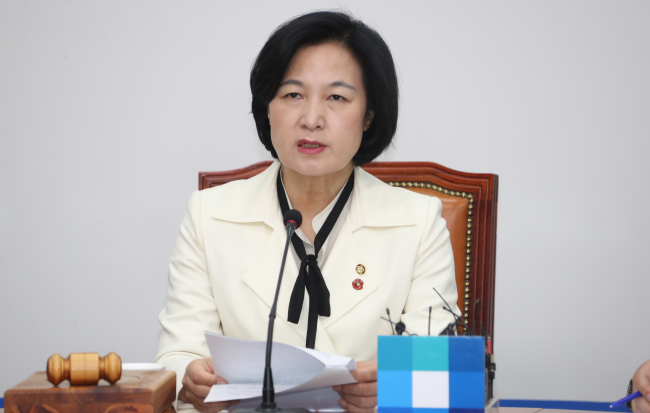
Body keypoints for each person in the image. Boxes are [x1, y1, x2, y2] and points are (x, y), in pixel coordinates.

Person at [154, 11, 459, 413]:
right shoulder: (209, 215)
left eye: (336, 97)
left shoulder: (419, 223)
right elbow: (175, 356)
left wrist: (394, 392)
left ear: (369, 115)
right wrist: (191, 380)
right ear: (267, 107)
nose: (311, 119)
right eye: (293, 95)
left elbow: (440, 375)